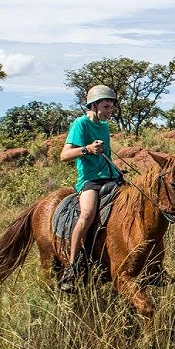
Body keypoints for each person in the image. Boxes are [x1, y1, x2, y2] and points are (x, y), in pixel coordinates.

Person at [57, 85, 123, 294]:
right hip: (90, 181)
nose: (109, 111)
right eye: (106, 106)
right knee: (86, 214)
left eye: (111, 107)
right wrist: (87, 149)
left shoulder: (104, 126)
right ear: (94, 105)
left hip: (110, 177)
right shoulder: (80, 124)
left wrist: (116, 169)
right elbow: (64, 155)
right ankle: (71, 266)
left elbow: (106, 155)